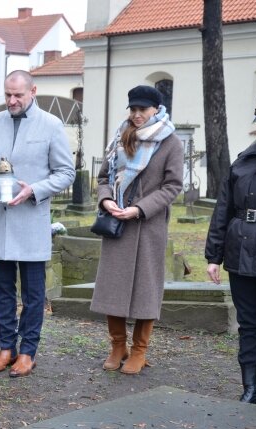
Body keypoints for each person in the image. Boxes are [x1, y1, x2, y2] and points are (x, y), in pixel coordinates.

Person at [0, 70, 75, 377]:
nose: (12, 101)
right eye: (7, 95)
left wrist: (35, 190)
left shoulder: (51, 126)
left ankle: (28, 351)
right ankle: (6, 347)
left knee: (32, 293)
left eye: (18, 95)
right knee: (2, 290)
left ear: (33, 92)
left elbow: (65, 173)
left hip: (30, 220)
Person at [90, 85, 183, 375]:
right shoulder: (121, 136)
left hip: (148, 225)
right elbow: (104, 175)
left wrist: (140, 209)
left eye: (143, 109)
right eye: (133, 109)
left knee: (146, 290)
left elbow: (173, 186)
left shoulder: (171, 142)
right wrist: (106, 199)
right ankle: (118, 345)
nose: (137, 114)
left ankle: (140, 350)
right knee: (112, 287)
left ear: (157, 109)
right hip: (117, 223)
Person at [205, 96, 256, 408]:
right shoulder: (243, 161)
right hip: (240, 253)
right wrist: (214, 256)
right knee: (249, 323)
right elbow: (223, 210)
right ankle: (250, 388)